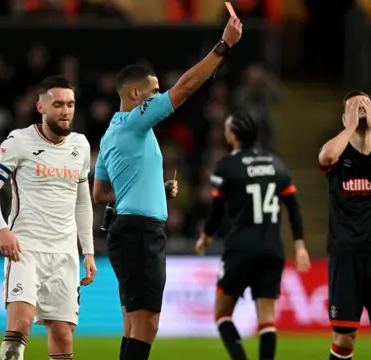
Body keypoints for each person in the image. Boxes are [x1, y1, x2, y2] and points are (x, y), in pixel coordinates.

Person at [91, 16, 243, 360]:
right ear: (134, 94)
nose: (159, 96)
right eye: (153, 92)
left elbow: (99, 194)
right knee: (147, 325)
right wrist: (224, 46)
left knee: (133, 323)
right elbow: (186, 86)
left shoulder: (111, 134)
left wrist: (152, 189)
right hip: (141, 234)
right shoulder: (135, 121)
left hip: (124, 231)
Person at [0, 75, 97, 360]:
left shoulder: (80, 146)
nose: (65, 110)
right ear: (41, 107)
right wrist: (2, 230)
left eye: (70, 104)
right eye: (58, 104)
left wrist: (89, 251)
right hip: (25, 249)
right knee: (19, 328)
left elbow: (82, 202)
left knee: (63, 334)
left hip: (65, 254)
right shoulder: (18, 141)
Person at [195, 112, 311, 360]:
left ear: (233, 135)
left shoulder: (226, 167)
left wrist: (205, 236)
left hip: (240, 248)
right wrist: (300, 245)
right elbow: (294, 207)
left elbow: (216, 213)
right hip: (272, 248)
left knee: (222, 313)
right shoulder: (276, 164)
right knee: (267, 319)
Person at [318, 91, 371, 360]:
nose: (362, 108)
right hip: (346, 254)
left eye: (367, 104)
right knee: (344, 337)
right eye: (354, 105)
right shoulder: (339, 153)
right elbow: (325, 157)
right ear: (344, 117)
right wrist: (352, 125)